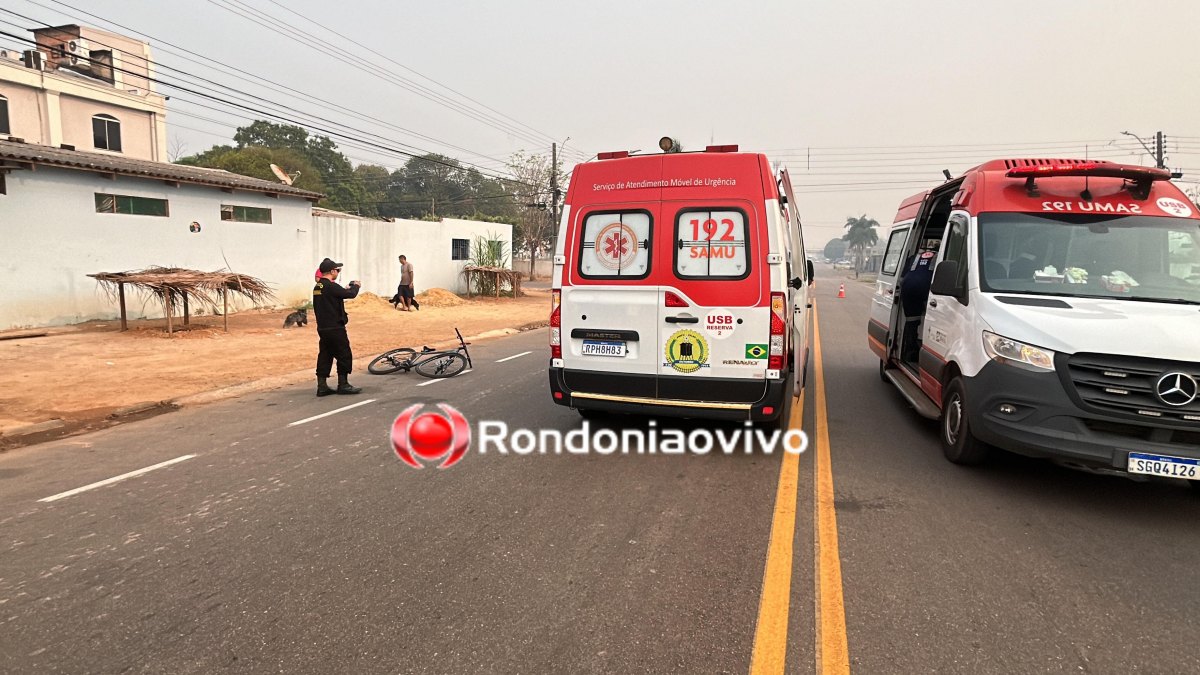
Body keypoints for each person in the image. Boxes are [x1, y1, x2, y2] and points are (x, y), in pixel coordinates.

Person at [312, 258, 362, 396]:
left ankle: (322, 386)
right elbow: (350, 294)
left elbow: (334, 296)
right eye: (337, 270)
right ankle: (343, 384)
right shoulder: (331, 286)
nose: (338, 273)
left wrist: (343, 290)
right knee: (344, 354)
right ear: (332, 271)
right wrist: (356, 286)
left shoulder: (318, 287)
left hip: (323, 327)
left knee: (325, 354)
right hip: (335, 327)